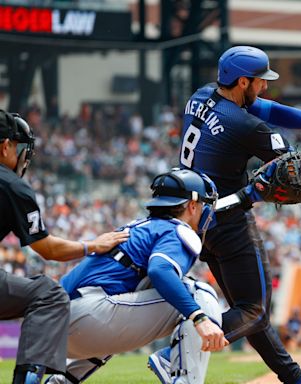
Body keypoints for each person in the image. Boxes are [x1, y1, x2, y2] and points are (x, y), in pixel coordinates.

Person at [168, 45, 301, 384]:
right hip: (229, 219)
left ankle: (294, 378)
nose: (265, 86)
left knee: (247, 310)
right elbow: (293, 167)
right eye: (260, 81)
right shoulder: (246, 126)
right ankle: (180, 350)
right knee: (256, 310)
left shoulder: (203, 95)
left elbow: (265, 107)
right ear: (243, 82)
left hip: (196, 217)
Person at [44, 169, 227, 384]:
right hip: (87, 317)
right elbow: (160, 270)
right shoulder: (178, 230)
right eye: (205, 204)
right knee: (200, 294)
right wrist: (199, 317)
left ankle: (62, 380)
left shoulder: (137, 227)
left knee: (130, 293)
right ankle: (180, 375)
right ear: (192, 205)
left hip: (53, 326)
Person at [0, 109, 129, 384]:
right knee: (48, 294)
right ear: (5, 146)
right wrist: (92, 245)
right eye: (20, 147)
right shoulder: (11, 185)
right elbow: (48, 250)